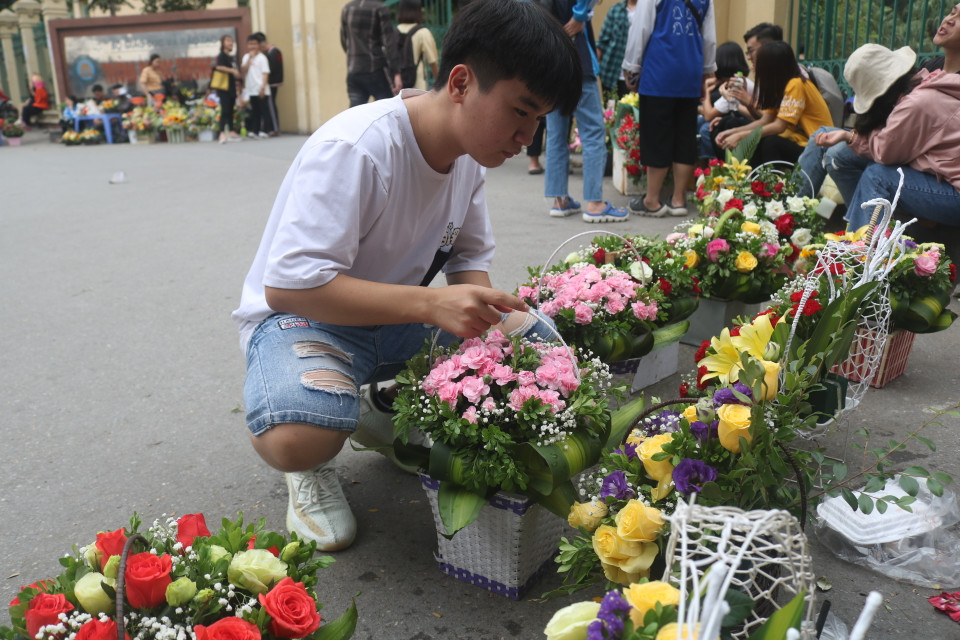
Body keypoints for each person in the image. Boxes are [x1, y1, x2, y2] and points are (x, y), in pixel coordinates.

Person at [230, 0, 581, 551]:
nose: (527, 137)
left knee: (536, 341)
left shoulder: (467, 157)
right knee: (300, 435)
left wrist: (496, 337)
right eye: (520, 111)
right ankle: (311, 466)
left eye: (539, 120)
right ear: (461, 83)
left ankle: (384, 405)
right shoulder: (358, 147)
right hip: (304, 321)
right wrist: (430, 306)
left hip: (391, 321)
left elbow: (468, 265)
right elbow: (290, 285)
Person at [845, 3, 960, 231]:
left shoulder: (922, 98)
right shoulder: (933, 71)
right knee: (839, 154)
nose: (949, 19)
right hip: (933, 170)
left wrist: (849, 137)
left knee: (877, 176)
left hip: (949, 187)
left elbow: (887, 152)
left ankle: (860, 247)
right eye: (952, 12)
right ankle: (861, 234)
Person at [622, 0, 716, 217]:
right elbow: (709, 38)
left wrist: (631, 66)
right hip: (690, 73)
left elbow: (641, 27)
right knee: (685, 137)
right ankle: (678, 200)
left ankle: (652, 200)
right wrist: (706, 71)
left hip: (659, 73)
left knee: (656, 137)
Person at [795, 44, 918, 205]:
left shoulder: (913, 102)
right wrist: (848, 136)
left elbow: (886, 151)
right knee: (821, 134)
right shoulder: (899, 95)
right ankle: (791, 208)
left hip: (903, 162)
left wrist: (849, 137)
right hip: (887, 151)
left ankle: (861, 219)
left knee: (837, 155)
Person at [544, 0, 628, 223]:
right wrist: (580, 15)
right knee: (593, 132)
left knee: (556, 133)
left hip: (548, 59)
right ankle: (595, 204)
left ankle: (559, 200)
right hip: (577, 55)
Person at [715, 41, 832, 166]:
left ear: (770, 66)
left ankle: (771, 178)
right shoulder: (779, 87)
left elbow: (779, 126)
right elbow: (765, 121)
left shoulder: (796, 84)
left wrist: (741, 136)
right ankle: (743, 175)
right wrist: (733, 132)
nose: (753, 67)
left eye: (757, 63)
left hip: (817, 148)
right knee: (752, 135)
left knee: (771, 142)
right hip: (800, 142)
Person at [340, 0, 403, 107]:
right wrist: (396, 72)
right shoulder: (380, 8)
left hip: (354, 71)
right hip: (375, 69)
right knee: (386, 109)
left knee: (356, 112)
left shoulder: (347, 9)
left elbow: (344, 40)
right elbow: (389, 44)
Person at [698, 41, 752, 159]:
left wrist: (706, 90)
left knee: (706, 128)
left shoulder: (736, 83)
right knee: (699, 122)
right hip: (740, 118)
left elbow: (709, 116)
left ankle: (713, 164)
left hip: (746, 121)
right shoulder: (734, 80)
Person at [595, 0, 636, 98]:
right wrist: (594, 69)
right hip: (611, 74)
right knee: (610, 106)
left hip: (635, 76)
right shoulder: (615, 10)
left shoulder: (647, 11)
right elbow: (602, 43)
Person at [396, 0, 439, 91]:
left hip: (397, 86)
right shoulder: (423, 32)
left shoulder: (392, 33)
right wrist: (439, 81)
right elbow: (432, 61)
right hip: (418, 87)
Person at [239, 34, 271, 139]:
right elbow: (243, 70)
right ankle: (255, 130)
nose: (253, 46)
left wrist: (262, 88)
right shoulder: (246, 57)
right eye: (250, 44)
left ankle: (265, 130)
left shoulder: (262, 58)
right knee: (255, 111)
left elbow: (265, 73)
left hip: (261, 89)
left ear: (258, 45)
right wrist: (250, 58)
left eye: (255, 44)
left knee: (264, 111)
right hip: (251, 89)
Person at [213, 34, 242, 144]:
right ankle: (221, 133)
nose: (230, 43)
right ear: (223, 43)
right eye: (228, 41)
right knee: (224, 110)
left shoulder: (231, 56)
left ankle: (231, 131)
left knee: (230, 110)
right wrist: (232, 71)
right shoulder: (222, 55)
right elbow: (219, 67)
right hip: (223, 87)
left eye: (231, 41)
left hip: (231, 86)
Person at [255, 32, 283, 136]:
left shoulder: (273, 53)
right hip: (274, 82)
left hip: (272, 83)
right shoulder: (273, 52)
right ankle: (271, 127)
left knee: (271, 106)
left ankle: (275, 128)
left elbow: (271, 69)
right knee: (270, 105)